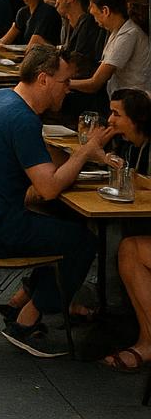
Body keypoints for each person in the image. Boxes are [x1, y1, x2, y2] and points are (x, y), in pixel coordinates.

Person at [0, 45, 110, 357]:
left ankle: (21, 299)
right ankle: (28, 320)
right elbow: (49, 188)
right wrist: (85, 151)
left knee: (63, 223)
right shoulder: (23, 120)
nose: (69, 89)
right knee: (82, 240)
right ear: (44, 79)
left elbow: (32, 162)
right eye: (65, 81)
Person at [97, 90, 151, 371]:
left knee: (129, 249)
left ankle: (147, 342)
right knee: (127, 244)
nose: (110, 119)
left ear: (137, 118)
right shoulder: (130, 146)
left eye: (117, 114)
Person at [69, 0, 151, 97]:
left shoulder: (128, 35)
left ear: (105, 11)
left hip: (133, 103)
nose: (94, 19)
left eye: (94, 14)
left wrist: (63, 83)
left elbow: (95, 83)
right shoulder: (117, 31)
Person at [54, 0, 108, 120]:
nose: (56, 3)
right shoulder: (66, 24)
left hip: (86, 93)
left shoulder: (88, 23)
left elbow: (78, 63)